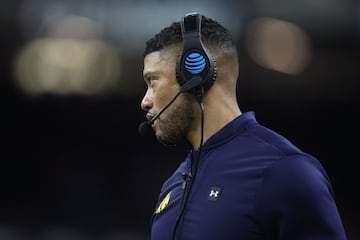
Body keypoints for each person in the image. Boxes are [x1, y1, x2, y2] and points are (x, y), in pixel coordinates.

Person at [139, 12, 347, 240]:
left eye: (153, 81)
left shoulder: (284, 171)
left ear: (194, 73)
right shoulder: (173, 185)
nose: (145, 101)